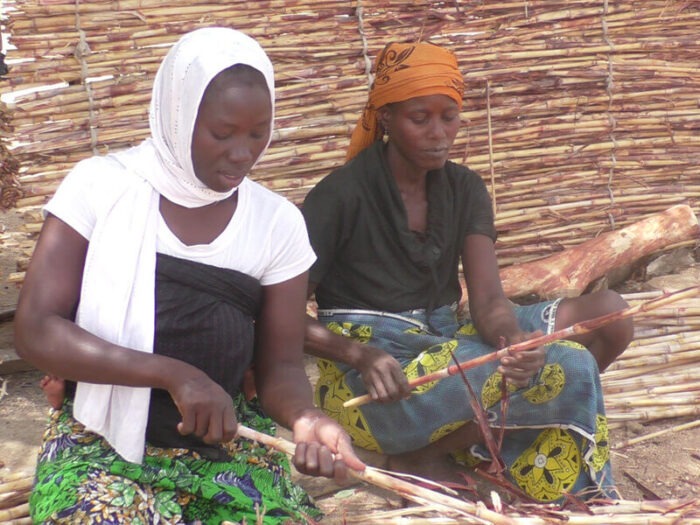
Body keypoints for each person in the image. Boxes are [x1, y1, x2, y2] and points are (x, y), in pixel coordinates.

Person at [14, 27, 364, 525]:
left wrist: (307, 419)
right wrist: (176, 375)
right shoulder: (101, 188)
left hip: (224, 449)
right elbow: (35, 330)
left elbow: (280, 368)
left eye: (257, 132)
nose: (243, 152)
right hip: (98, 443)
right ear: (178, 116)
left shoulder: (276, 224)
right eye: (223, 133)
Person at [301, 41, 633, 504]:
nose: (439, 133)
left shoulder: (465, 188)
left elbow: (489, 302)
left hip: (448, 333)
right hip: (380, 372)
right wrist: (358, 355)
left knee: (610, 315)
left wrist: (512, 340)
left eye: (449, 117)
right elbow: (286, 318)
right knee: (568, 364)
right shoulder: (338, 196)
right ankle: (426, 450)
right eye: (421, 119)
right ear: (387, 119)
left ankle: (462, 438)